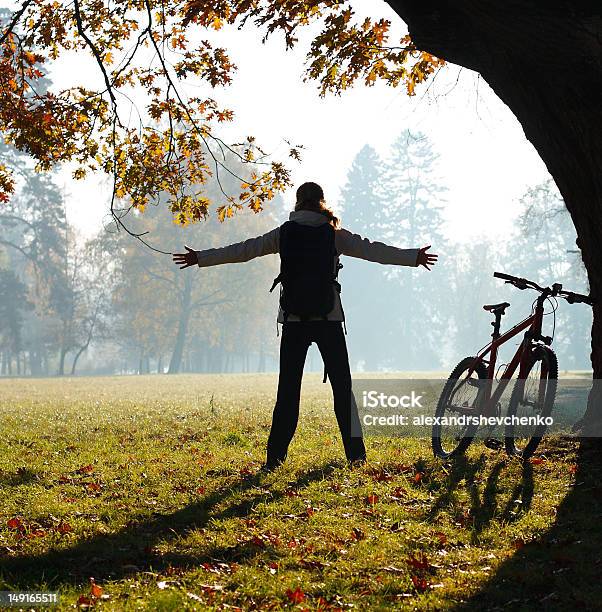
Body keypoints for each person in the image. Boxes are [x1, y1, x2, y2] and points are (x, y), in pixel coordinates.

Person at [173, 181, 438, 470]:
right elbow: (372, 250)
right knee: (342, 390)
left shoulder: (283, 234)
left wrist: (202, 258)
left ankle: (274, 459)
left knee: (287, 392)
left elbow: (244, 250)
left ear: (297, 202)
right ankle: (356, 457)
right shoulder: (334, 234)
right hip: (329, 320)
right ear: (322, 202)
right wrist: (412, 257)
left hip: (293, 320)